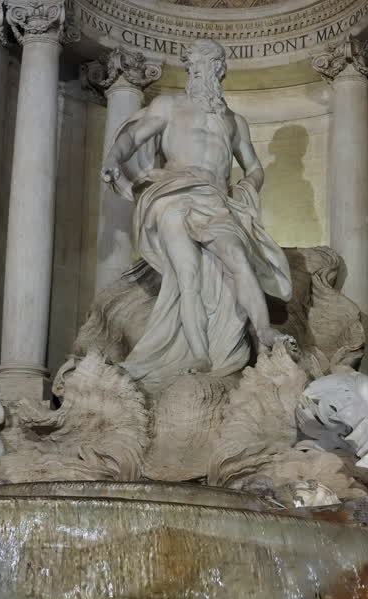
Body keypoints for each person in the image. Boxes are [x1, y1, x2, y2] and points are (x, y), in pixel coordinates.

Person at [101, 38, 293, 384]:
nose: (204, 72)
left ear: (220, 70)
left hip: (215, 199)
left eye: (210, 66)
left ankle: (265, 331)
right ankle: (200, 353)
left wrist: (247, 189)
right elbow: (133, 138)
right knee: (186, 274)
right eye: (197, 66)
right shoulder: (169, 105)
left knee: (237, 256)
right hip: (172, 193)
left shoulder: (234, 121)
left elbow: (253, 167)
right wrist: (113, 158)